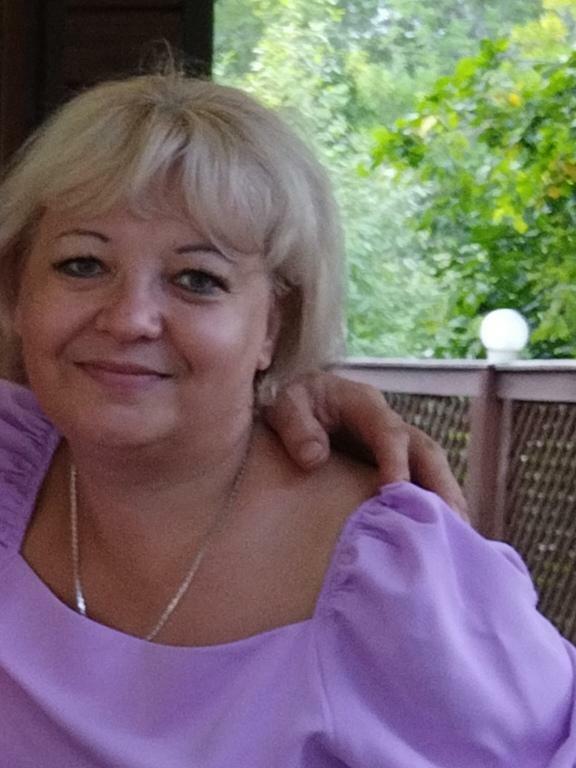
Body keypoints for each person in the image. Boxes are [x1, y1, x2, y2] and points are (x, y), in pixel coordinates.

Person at [0, 68, 573, 768]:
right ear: (19, 291)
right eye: (83, 264)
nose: (129, 319)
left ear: (275, 323)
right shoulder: (9, 464)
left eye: (197, 279)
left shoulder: (391, 578)